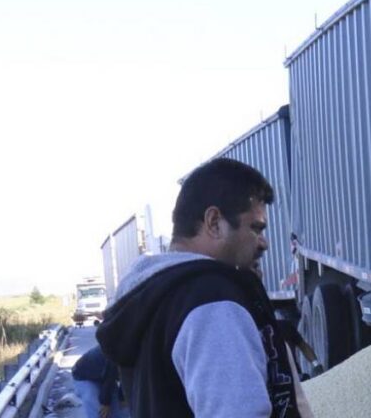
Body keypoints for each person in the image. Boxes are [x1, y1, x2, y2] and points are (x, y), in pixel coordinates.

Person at [97, 158, 300, 417]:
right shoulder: (211, 301)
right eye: (255, 228)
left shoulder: (155, 296)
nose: (263, 244)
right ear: (214, 222)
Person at [71, 345, 128, 418]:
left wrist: (122, 397)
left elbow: (126, 377)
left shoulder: (137, 353)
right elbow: (109, 376)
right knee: (99, 411)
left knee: (121, 412)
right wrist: (105, 403)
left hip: (103, 375)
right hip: (84, 376)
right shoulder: (116, 349)